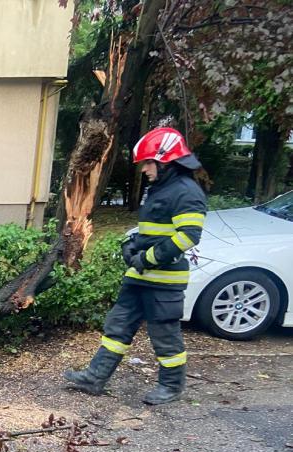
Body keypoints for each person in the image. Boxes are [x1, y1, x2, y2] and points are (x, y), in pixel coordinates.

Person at [64, 127, 207, 404]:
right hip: (140, 278)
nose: (143, 169)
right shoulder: (161, 189)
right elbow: (154, 231)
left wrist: (147, 258)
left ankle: (172, 386)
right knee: (117, 327)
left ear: (166, 160)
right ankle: (96, 377)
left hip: (163, 282)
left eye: (147, 163)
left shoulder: (187, 192)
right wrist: (132, 245)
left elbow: (188, 236)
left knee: (165, 336)